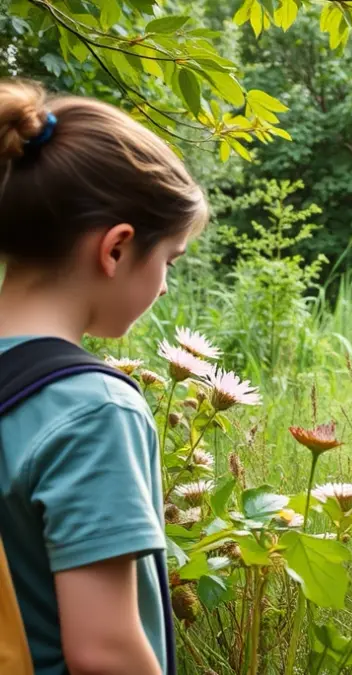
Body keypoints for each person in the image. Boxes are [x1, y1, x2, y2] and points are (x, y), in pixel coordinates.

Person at [0, 79, 209, 675]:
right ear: (116, 249)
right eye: (168, 260)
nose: (164, 286)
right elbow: (104, 651)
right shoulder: (93, 410)